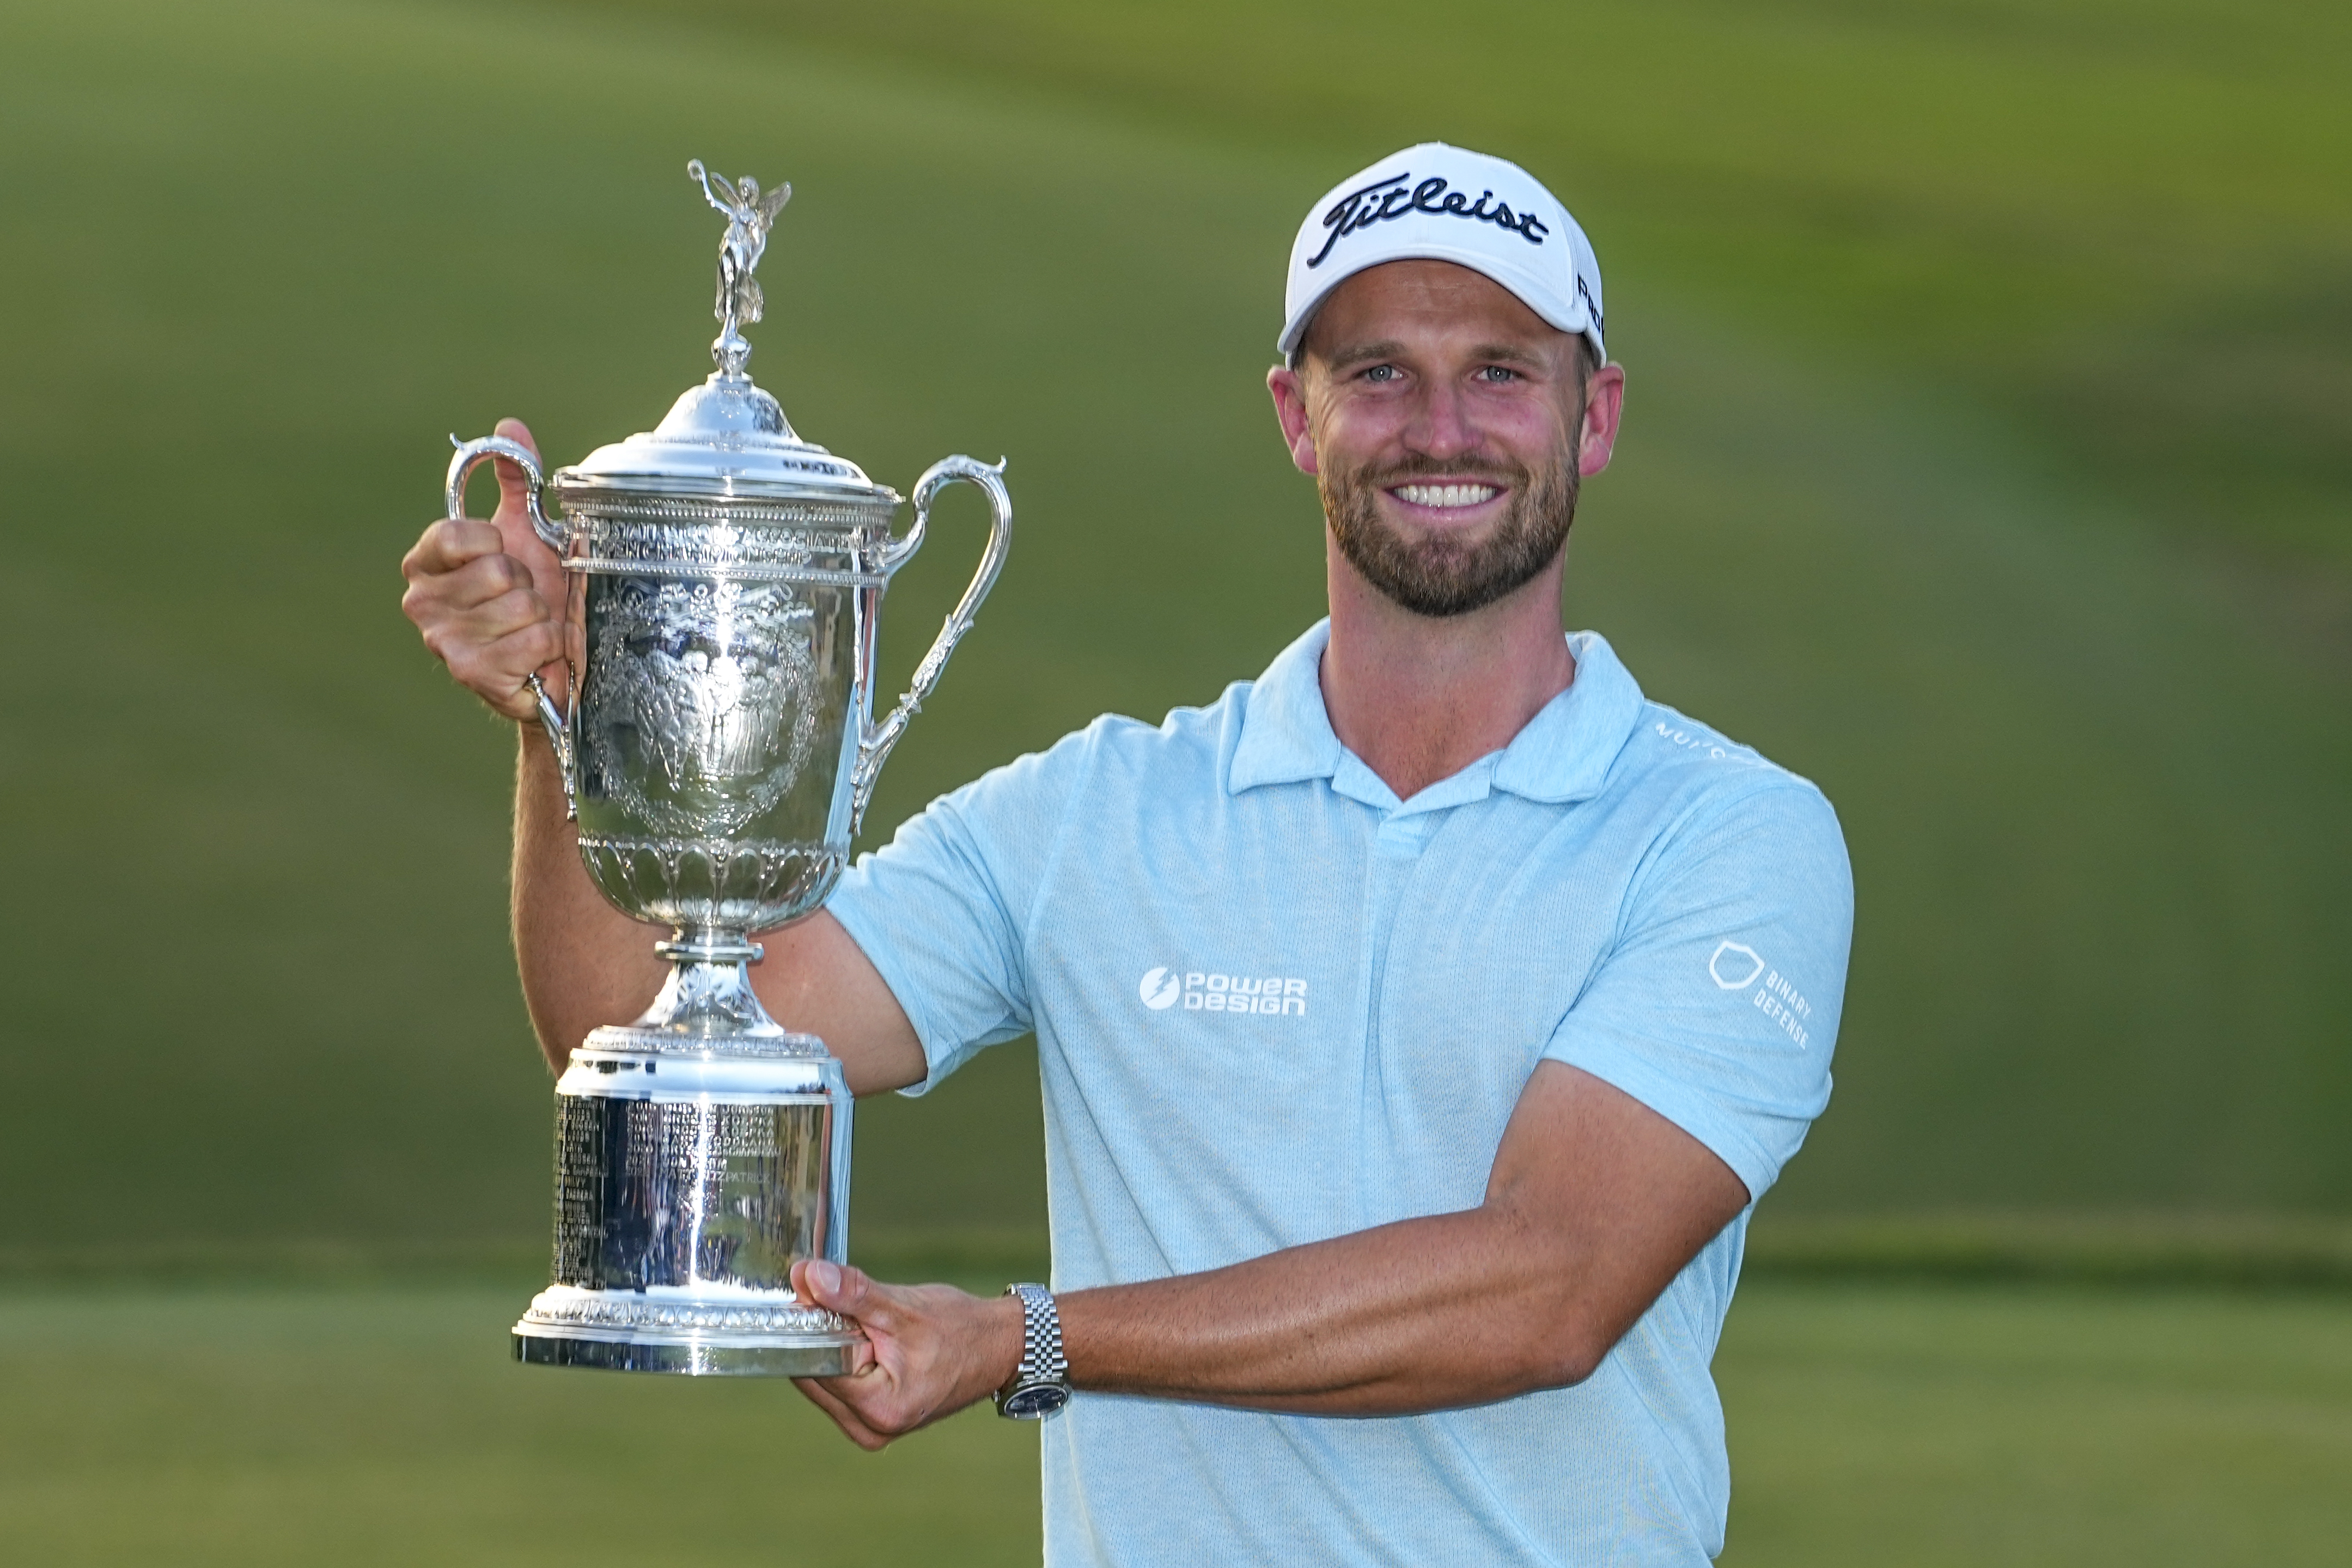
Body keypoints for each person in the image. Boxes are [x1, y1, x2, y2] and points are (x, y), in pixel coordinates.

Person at [400, 142, 1853, 1565]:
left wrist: (1028, 1341)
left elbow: (1551, 1285)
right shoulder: (1096, 814)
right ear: (1297, 415)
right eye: (1379, 373)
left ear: (1593, 417)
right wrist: (575, 715)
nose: (1441, 427)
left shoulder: (1727, 836)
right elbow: (641, 1033)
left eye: (1500, 371)